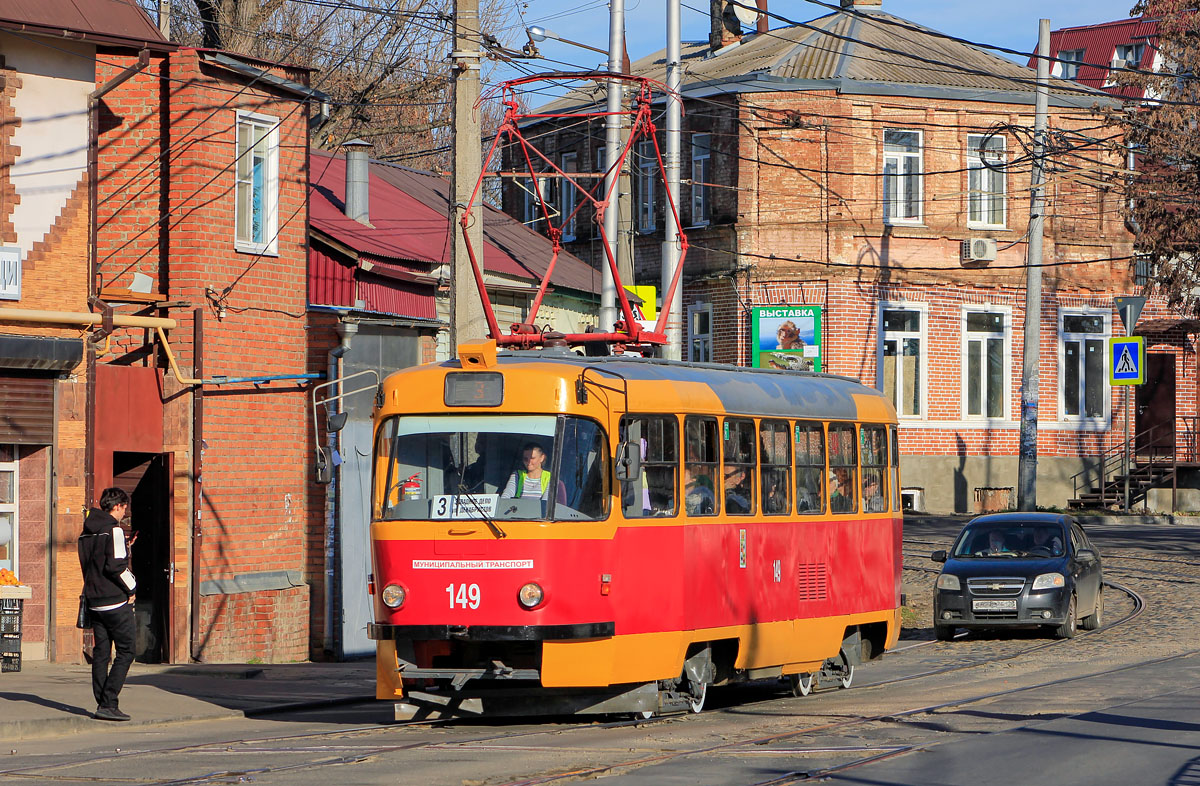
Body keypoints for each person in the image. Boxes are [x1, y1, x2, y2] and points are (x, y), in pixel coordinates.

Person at [78, 487, 137, 722]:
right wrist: (132, 587)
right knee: (127, 651)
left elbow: (92, 565)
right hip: (115, 601)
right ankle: (109, 701)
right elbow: (116, 567)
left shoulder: (86, 533)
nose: (125, 513)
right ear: (118, 506)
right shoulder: (114, 530)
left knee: (102, 652)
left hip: (94, 600)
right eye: (124, 508)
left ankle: (102, 702)